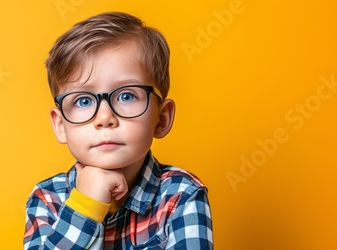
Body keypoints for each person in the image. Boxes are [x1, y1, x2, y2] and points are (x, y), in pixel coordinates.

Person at [24, 11, 213, 249]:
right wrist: (84, 208)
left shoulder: (181, 196)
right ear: (61, 126)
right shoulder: (47, 198)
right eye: (83, 101)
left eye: (126, 95)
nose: (105, 118)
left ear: (161, 118)